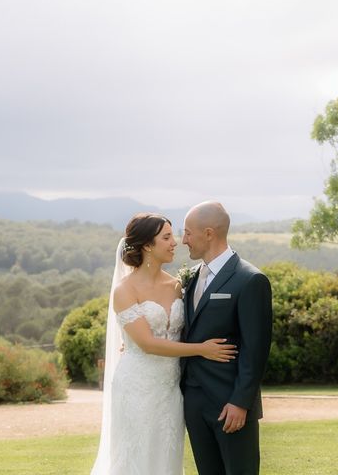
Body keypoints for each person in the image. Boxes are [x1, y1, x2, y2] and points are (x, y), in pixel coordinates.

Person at [91, 213, 237, 475]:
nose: (175, 243)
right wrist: (202, 349)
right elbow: (147, 343)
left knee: (165, 457)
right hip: (137, 386)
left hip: (170, 389)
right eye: (167, 237)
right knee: (136, 458)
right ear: (147, 245)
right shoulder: (125, 290)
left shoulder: (178, 285)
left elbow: (187, 328)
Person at [181, 201, 273, 475]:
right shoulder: (194, 278)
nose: (183, 240)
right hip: (195, 403)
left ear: (208, 233)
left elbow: (255, 349)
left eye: (187, 232)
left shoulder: (250, 279)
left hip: (230, 404)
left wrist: (241, 402)